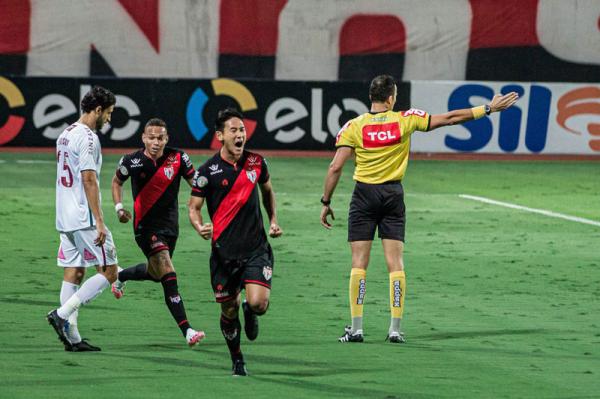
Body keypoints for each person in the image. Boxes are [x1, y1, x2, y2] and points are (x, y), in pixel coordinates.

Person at [320, 75, 519, 344]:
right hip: (392, 195)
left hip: (364, 196)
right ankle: (394, 329)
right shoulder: (405, 119)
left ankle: (356, 329)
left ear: (372, 97)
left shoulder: (354, 126)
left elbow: (335, 167)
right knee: (395, 264)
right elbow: (449, 118)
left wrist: (326, 201)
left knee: (359, 263)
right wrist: (487, 109)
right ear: (390, 98)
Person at [188, 108, 283, 376]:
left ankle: (249, 309)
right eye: (234, 130)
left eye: (242, 130)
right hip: (223, 255)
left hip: (255, 249)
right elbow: (194, 207)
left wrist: (273, 219)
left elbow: (267, 191)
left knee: (258, 304)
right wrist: (199, 226)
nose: (240, 134)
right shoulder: (207, 171)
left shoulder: (256, 163)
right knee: (228, 311)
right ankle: (237, 358)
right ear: (220, 136)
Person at [110, 118, 205, 347]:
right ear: (143, 138)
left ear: (166, 139)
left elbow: (196, 182)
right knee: (167, 272)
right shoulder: (131, 161)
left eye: (160, 138)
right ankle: (187, 330)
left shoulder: (178, 158)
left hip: (171, 227)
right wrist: (119, 208)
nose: (155, 142)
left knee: (155, 273)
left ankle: (120, 276)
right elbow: (116, 182)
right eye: (151, 137)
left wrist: (211, 187)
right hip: (145, 227)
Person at [47, 86, 120, 351]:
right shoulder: (88, 138)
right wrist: (100, 220)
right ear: (98, 110)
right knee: (110, 271)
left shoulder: (65, 134)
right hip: (84, 217)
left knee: (75, 271)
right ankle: (62, 315)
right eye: (109, 113)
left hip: (64, 217)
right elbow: (88, 179)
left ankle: (73, 339)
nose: (109, 119)